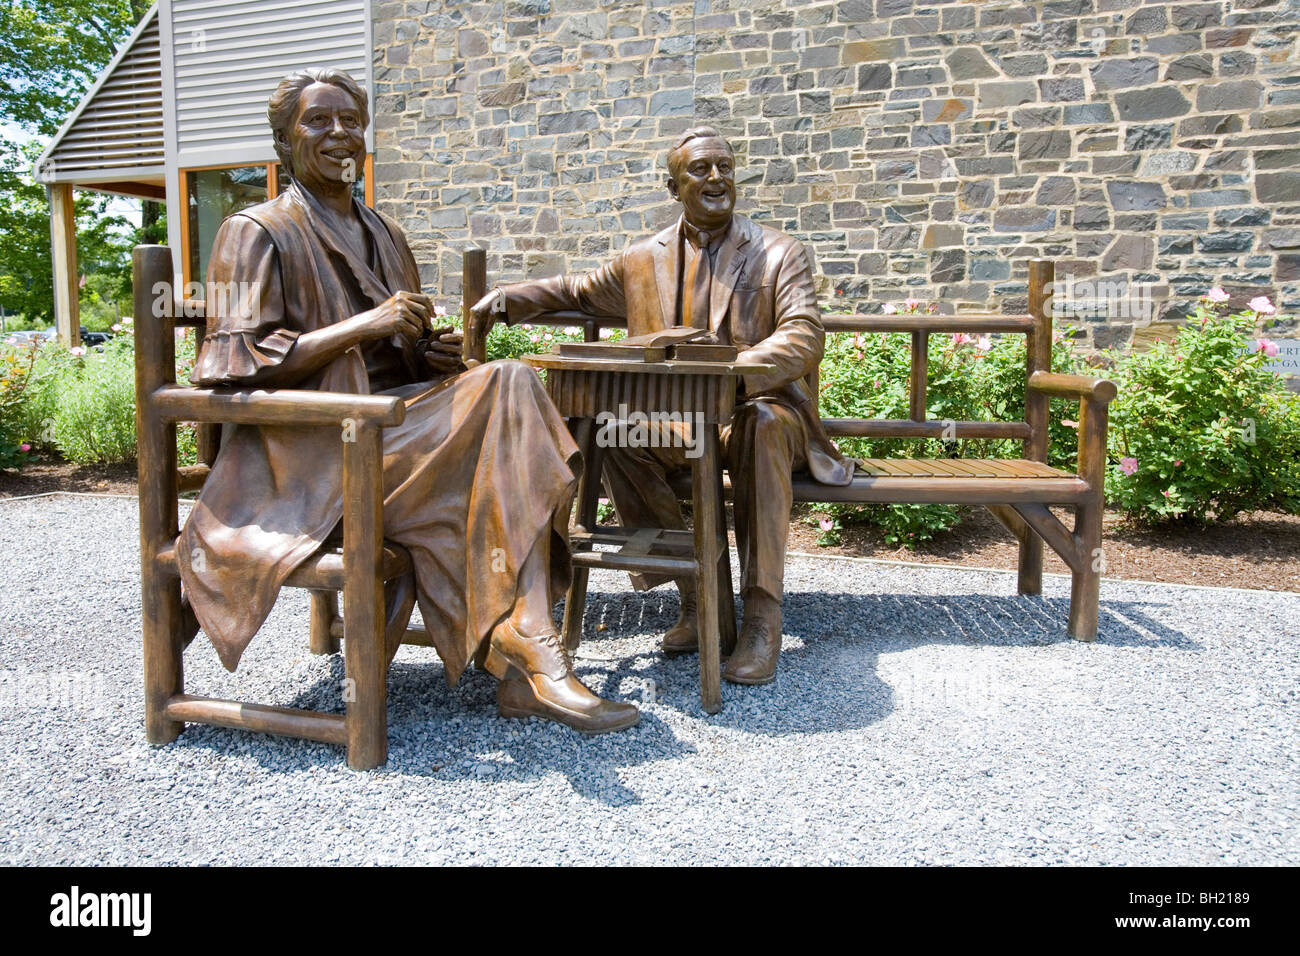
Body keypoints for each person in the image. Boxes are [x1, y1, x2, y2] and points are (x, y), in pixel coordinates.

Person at [177, 68, 638, 734]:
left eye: (351, 122)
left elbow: (399, 357)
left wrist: (431, 355)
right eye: (319, 121)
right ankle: (526, 652)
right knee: (509, 393)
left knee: (506, 398)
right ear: (284, 139)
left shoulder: (385, 233)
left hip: (396, 436)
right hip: (310, 456)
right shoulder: (255, 230)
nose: (340, 134)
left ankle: (525, 647)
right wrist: (364, 326)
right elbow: (232, 361)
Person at [467, 127, 855, 685]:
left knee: (764, 427)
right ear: (673, 186)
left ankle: (762, 617)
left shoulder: (778, 253)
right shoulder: (641, 260)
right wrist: (508, 299)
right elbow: (577, 291)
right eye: (700, 169)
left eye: (725, 166)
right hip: (680, 421)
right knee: (616, 433)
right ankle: (699, 600)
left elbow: (802, 334)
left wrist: (730, 376)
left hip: (758, 409)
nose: (717, 178)